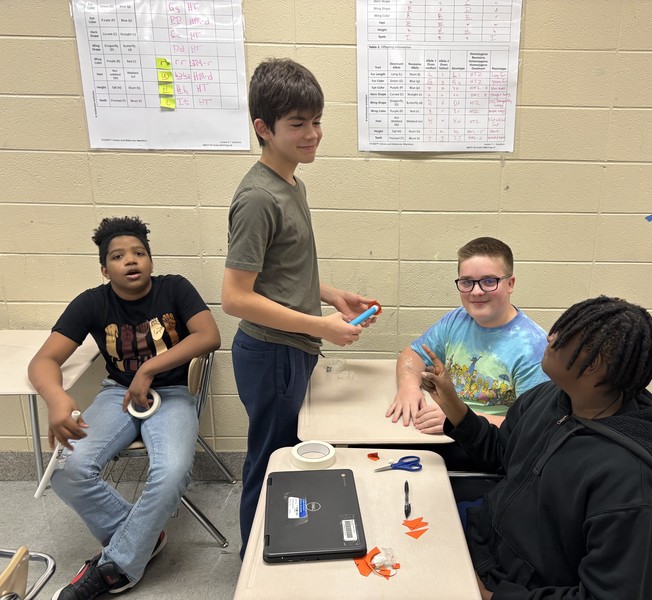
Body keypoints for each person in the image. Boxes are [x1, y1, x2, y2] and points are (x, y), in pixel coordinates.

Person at [420, 296, 652, 600]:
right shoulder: (552, 397)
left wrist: (492, 596)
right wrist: (452, 405)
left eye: (561, 339)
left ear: (592, 365)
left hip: (516, 587)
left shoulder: (632, 488)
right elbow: (503, 454)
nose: (549, 337)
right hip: (489, 545)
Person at [221, 57, 376, 558]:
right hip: (272, 353)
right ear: (263, 129)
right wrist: (321, 326)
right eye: (297, 125)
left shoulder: (291, 182)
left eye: (316, 121)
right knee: (272, 463)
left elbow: (279, 274)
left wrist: (331, 296)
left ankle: (285, 552)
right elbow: (235, 298)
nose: (312, 134)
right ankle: (255, 572)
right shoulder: (258, 198)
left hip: (293, 347)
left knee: (289, 456)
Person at [28, 216, 221, 600]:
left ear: (150, 260)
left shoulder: (175, 288)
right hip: (116, 393)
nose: (130, 261)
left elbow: (209, 335)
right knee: (66, 469)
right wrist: (56, 398)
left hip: (174, 394)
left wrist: (148, 368)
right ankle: (141, 541)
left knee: (172, 473)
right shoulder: (91, 302)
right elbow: (43, 361)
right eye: (118, 256)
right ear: (105, 268)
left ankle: (115, 567)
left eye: (139, 253)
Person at [386, 237, 548, 434]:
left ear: (510, 283)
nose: (476, 291)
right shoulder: (456, 320)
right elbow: (412, 355)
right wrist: (408, 387)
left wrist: (459, 418)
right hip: (445, 428)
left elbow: (533, 424)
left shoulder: (533, 347)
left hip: (490, 446)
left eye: (489, 281)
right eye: (467, 282)